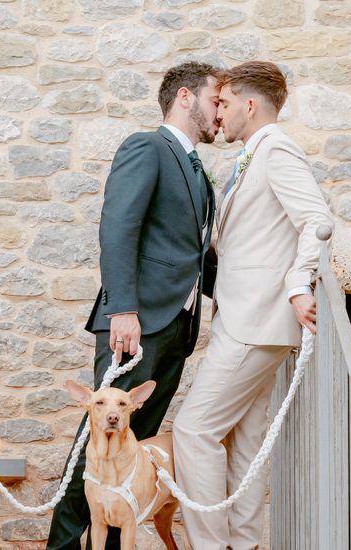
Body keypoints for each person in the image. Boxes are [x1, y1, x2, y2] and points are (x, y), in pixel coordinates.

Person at [45, 61, 222, 550]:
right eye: (215, 100)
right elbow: (118, 227)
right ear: (185, 97)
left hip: (175, 328)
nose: (220, 113)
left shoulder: (197, 171)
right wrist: (122, 308)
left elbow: (195, 256)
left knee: (132, 450)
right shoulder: (147, 147)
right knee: (97, 444)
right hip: (135, 324)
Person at [172, 61, 334, 550]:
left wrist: (298, 283)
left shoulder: (277, 149)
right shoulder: (252, 155)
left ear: (248, 104)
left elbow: (317, 220)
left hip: (254, 321)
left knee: (193, 431)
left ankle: (210, 545)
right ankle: (243, 543)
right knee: (244, 442)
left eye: (222, 104)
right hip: (246, 318)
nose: (216, 115)